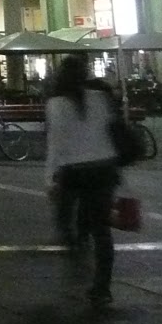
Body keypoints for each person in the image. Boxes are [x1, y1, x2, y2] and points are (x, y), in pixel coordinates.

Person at [44, 54, 122, 306]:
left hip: (74, 169)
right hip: (104, 167)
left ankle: (76, 247)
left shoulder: (56, 103)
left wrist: (50, 177)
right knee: (102, 230)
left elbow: (55, 143)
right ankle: (102, 285)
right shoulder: (99, 98)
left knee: (64, 214)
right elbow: (111, 131)